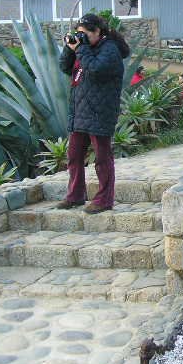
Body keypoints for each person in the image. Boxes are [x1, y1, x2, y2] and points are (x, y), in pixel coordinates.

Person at [57, 13, 130, 214]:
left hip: (100, 112)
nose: (82, 37)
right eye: (79, 33)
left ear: (98, 31)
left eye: (86, 33)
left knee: (102, 158)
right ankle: (75, 196)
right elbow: (64, 67)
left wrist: (81, 49)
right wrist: (70, 48)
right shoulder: (84, 49)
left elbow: (96, 69)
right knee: (73, 156)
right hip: (80, 111)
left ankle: (104, 200)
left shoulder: (110, 49)